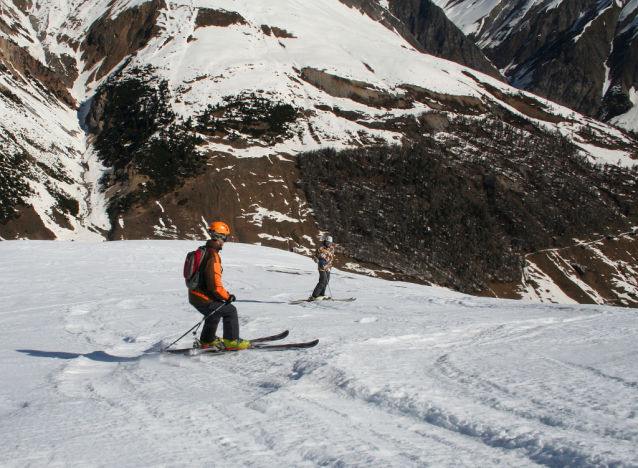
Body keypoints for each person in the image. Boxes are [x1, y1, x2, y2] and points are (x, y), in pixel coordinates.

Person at [188, 221, 250, 350]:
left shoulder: (203, 251)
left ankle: (207, 340)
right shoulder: (212, 256)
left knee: (215, 313)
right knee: (230, 310)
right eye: (226, 238)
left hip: (195, 295)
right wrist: (226, 296)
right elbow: (214, 285)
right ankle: (231, 341)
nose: (226, 241)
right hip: (203, 297)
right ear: (219, 237)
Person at [309, 236, 335, 300]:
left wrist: (330, 261)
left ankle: (322, 294)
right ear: (325, 242)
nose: (329, 244)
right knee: (322, 280)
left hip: (328, 267)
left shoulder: (332, 248)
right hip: (322, 266)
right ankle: (315, 295)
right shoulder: (321, 248)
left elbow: (332, 256)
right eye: (327, 242)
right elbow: (313, 255)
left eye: (330, 243)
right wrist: (317, 259)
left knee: (326, 280)